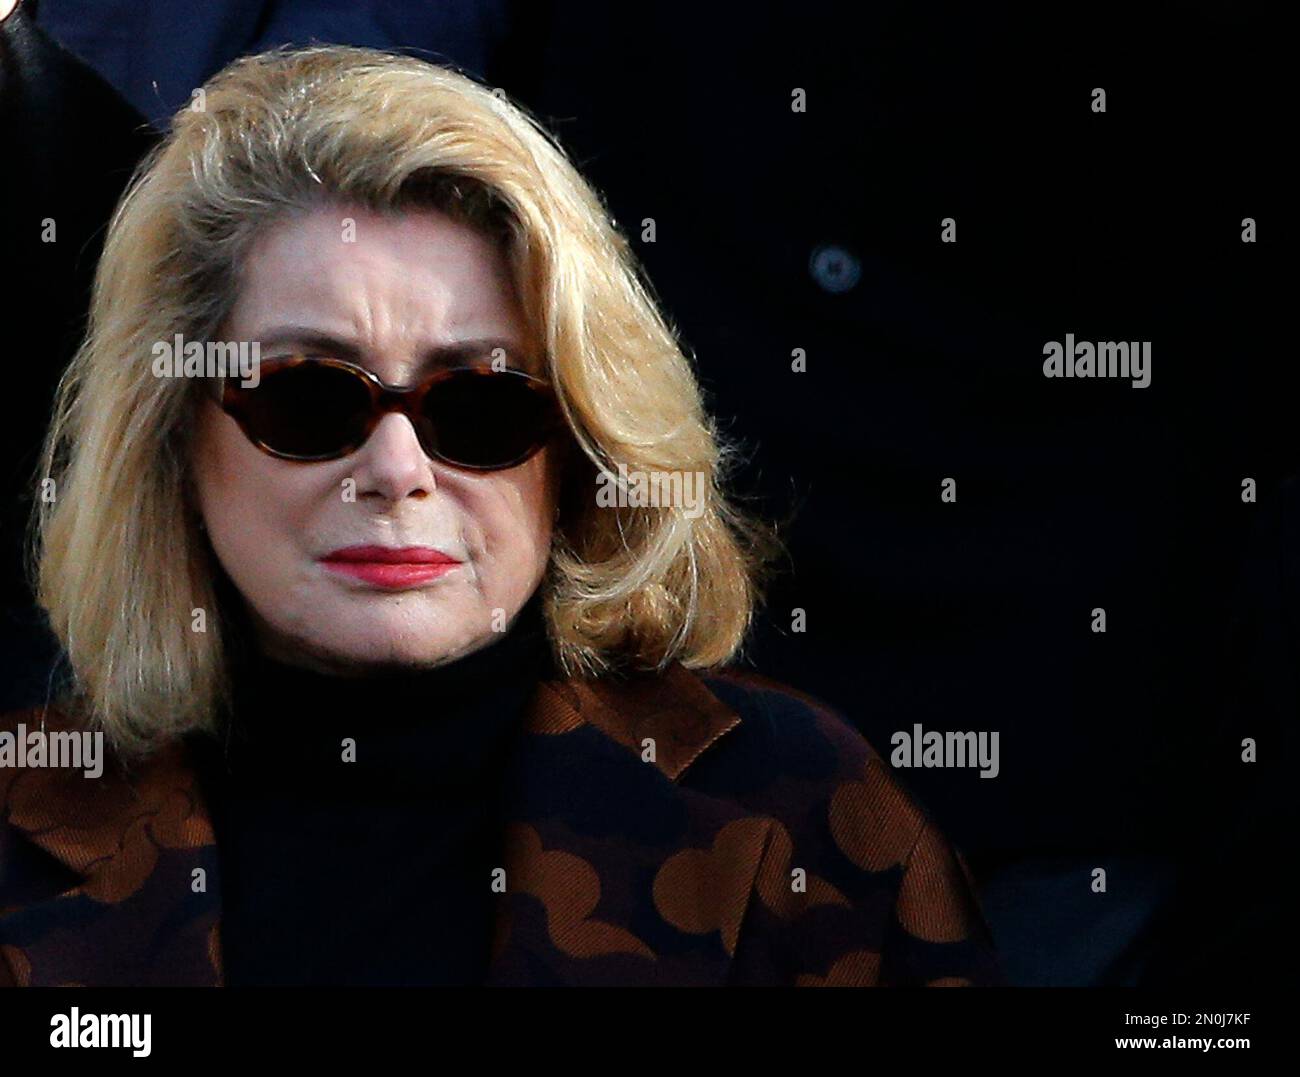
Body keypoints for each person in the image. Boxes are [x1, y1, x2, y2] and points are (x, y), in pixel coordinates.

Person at [0, 44, 1000, 987]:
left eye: (481, 404)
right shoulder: (19, 823)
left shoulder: (799, 817)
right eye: (309, 399)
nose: (397, 470)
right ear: (172, 435)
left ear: (580, 443)